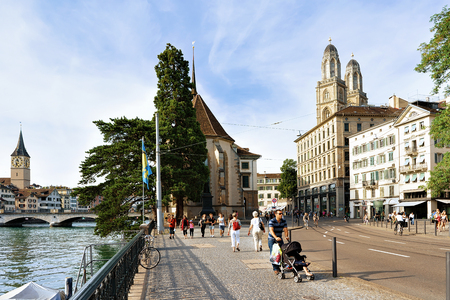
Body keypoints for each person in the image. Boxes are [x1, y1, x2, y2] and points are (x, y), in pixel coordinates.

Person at [268, 209, 289, 275]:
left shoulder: (283, 221)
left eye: (281, 213)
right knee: (274, 253)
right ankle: (275, 268)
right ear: (275, 214)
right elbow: (271, 230)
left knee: (282, 252)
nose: (281, 215)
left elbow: (285, 229)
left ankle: (281, 265)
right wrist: (275, 237)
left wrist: (286, 236)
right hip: (272, 239)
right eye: (279, 214)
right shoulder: (272, 221)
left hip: (279, 238)